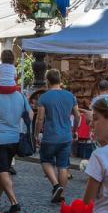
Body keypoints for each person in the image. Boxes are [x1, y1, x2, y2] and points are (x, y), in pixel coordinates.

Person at [35, 69, 80, 204]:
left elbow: (40, 119)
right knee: (63, 166)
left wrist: (36, 134)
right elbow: (77, 116)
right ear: (60, 80)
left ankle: (56, 186)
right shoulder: (70, 96)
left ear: (48, 81)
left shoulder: (44, 97)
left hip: (50, 136)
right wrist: (74, 130)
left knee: (45, 160)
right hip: (66, 136)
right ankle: (61, 194)